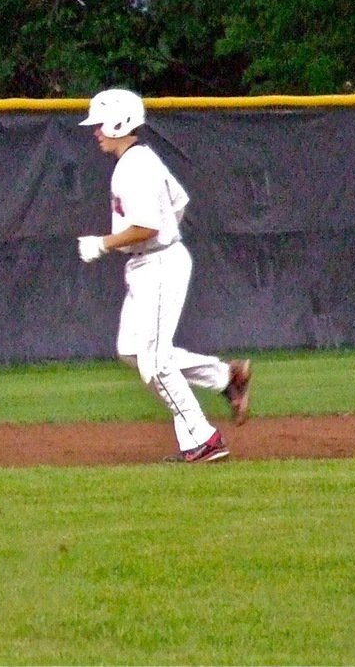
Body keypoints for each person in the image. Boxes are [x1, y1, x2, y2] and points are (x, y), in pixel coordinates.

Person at [75, 88, 252, 463]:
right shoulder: (141, 160)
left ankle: (203, 440)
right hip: (152, 262)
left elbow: (148, 228)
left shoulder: (134, 167)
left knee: (153, 362)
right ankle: (225, 377)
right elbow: (179, 202)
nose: (96, 132)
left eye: (100, 124)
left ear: (120, 121)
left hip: (157, 263)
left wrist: (104, 244)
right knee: (131, 351)